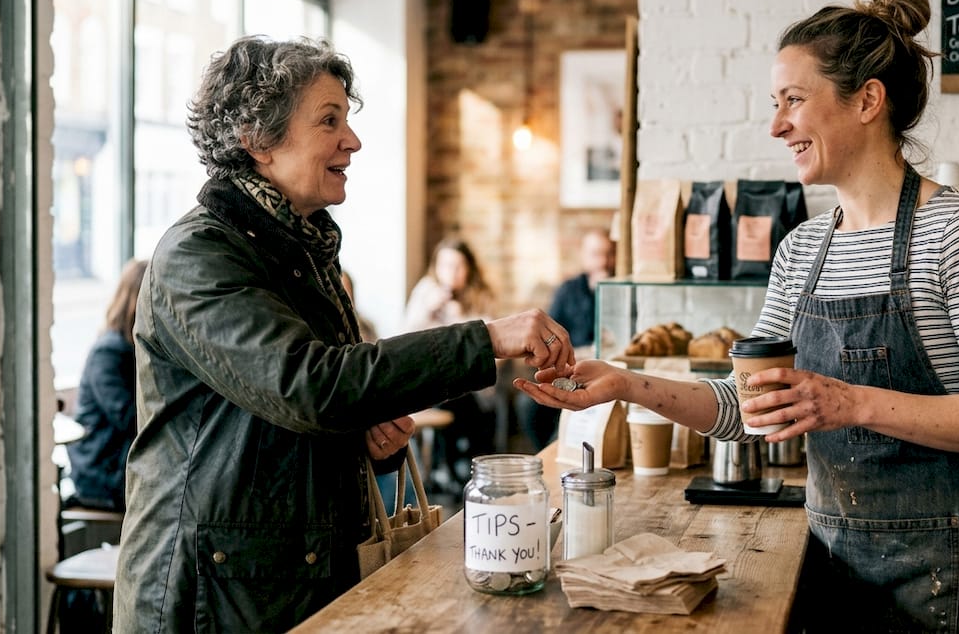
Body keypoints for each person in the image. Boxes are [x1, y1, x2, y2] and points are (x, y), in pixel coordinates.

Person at [517, 0, 959, 632]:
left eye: (794, 100)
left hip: (948, 575)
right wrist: (624, 384)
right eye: (776, 104)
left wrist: (850, 403)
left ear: (868, 100)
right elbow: (744, 409)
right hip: (831, 563)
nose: (776, 125)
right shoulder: (803, 249)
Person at [114, 35, 573, 633]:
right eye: (329, 120)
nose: (351, 141)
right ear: (257, 138)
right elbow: (310, 386)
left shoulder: (305, 247)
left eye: (347, 120)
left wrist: (360, 435)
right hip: (208, 596)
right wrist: (485, 338)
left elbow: (300, 410)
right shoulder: (198, 254)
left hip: (281, 579)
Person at [400, 237, 500, 482]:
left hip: (470, 383)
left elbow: (491, 345)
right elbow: (403, 340)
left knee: (470, 403)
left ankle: (467, 468)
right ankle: (457, 469)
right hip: (432, 380)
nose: (451, 273)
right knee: (456, 400)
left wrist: (462, 322)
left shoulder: (480, 295)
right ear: (436, 267)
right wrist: (428, 310)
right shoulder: (426, 291)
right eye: (445, 266)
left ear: (469, 268)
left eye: (458, 266)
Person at [517, 227, 615, 450]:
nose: (602, 261)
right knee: (528, 405)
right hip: (569, 367)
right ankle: (546, 453)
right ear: (583, 256)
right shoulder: (568, 290)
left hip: (605, 370)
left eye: (608, 253)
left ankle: (562, 447)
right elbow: (548, 334)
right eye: (595, 254)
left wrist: (604, 291)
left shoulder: (620, 290)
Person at [65, 258, 147, 511]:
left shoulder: (128, 348)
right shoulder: (109, 352)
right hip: (101, 470)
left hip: (116, 461)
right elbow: (130, 418)